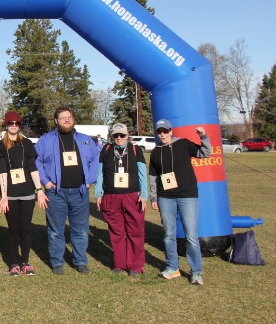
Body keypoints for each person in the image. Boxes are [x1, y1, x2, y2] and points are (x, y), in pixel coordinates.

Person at [35, 106, 99, 275]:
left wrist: (89, 180)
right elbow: (36, 162)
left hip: (80, 192)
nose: (66, 120)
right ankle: (57, 262)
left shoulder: (85, 140)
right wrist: (46, 182)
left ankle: (80, 261)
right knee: (56, 230)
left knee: (81, 229)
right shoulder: (46, 140)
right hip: (56, 193)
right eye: (63, 117)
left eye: (69, 117)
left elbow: (95, 160)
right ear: (56, 121)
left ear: (73, 119)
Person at [149, 118, 210, 285]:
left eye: (165, 131)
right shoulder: (155, 152)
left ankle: (196, 272)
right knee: (169, 235)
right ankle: (172, 267)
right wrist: (154, 197)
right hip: (165, 198)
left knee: (191, 236)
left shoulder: (183, 144)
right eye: (159, 131)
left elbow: (205, 153)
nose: (162, 134)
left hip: (187, 196)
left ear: (171, 131)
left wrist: (204, 137)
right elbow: (153, 177)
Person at [0, 112, 47, 276]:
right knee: (13, 230)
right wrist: (4, 196)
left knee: (25, 229)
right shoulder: (0, 146)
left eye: (17, 123)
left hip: (27, 195)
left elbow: (33, 167)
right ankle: (13, 263)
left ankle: (25, 262)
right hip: (10, 195)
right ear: (6, 125)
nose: (14, 126)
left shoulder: (27, 144)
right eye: (11, 123)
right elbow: (1, 171)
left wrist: (38, 190)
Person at [94, 123, 147, 276]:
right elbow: (100, 173)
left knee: (135, 231)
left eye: (121, 135)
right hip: (111, 196)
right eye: (115, 135)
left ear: (127, 135)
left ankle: (135, 266)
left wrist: (143, 195)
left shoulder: (136, 150)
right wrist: (99, 193)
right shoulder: (106, 149)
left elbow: (142, 174)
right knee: (116, 231)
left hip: (132, 196)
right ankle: (119, 263)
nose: (118, 138)